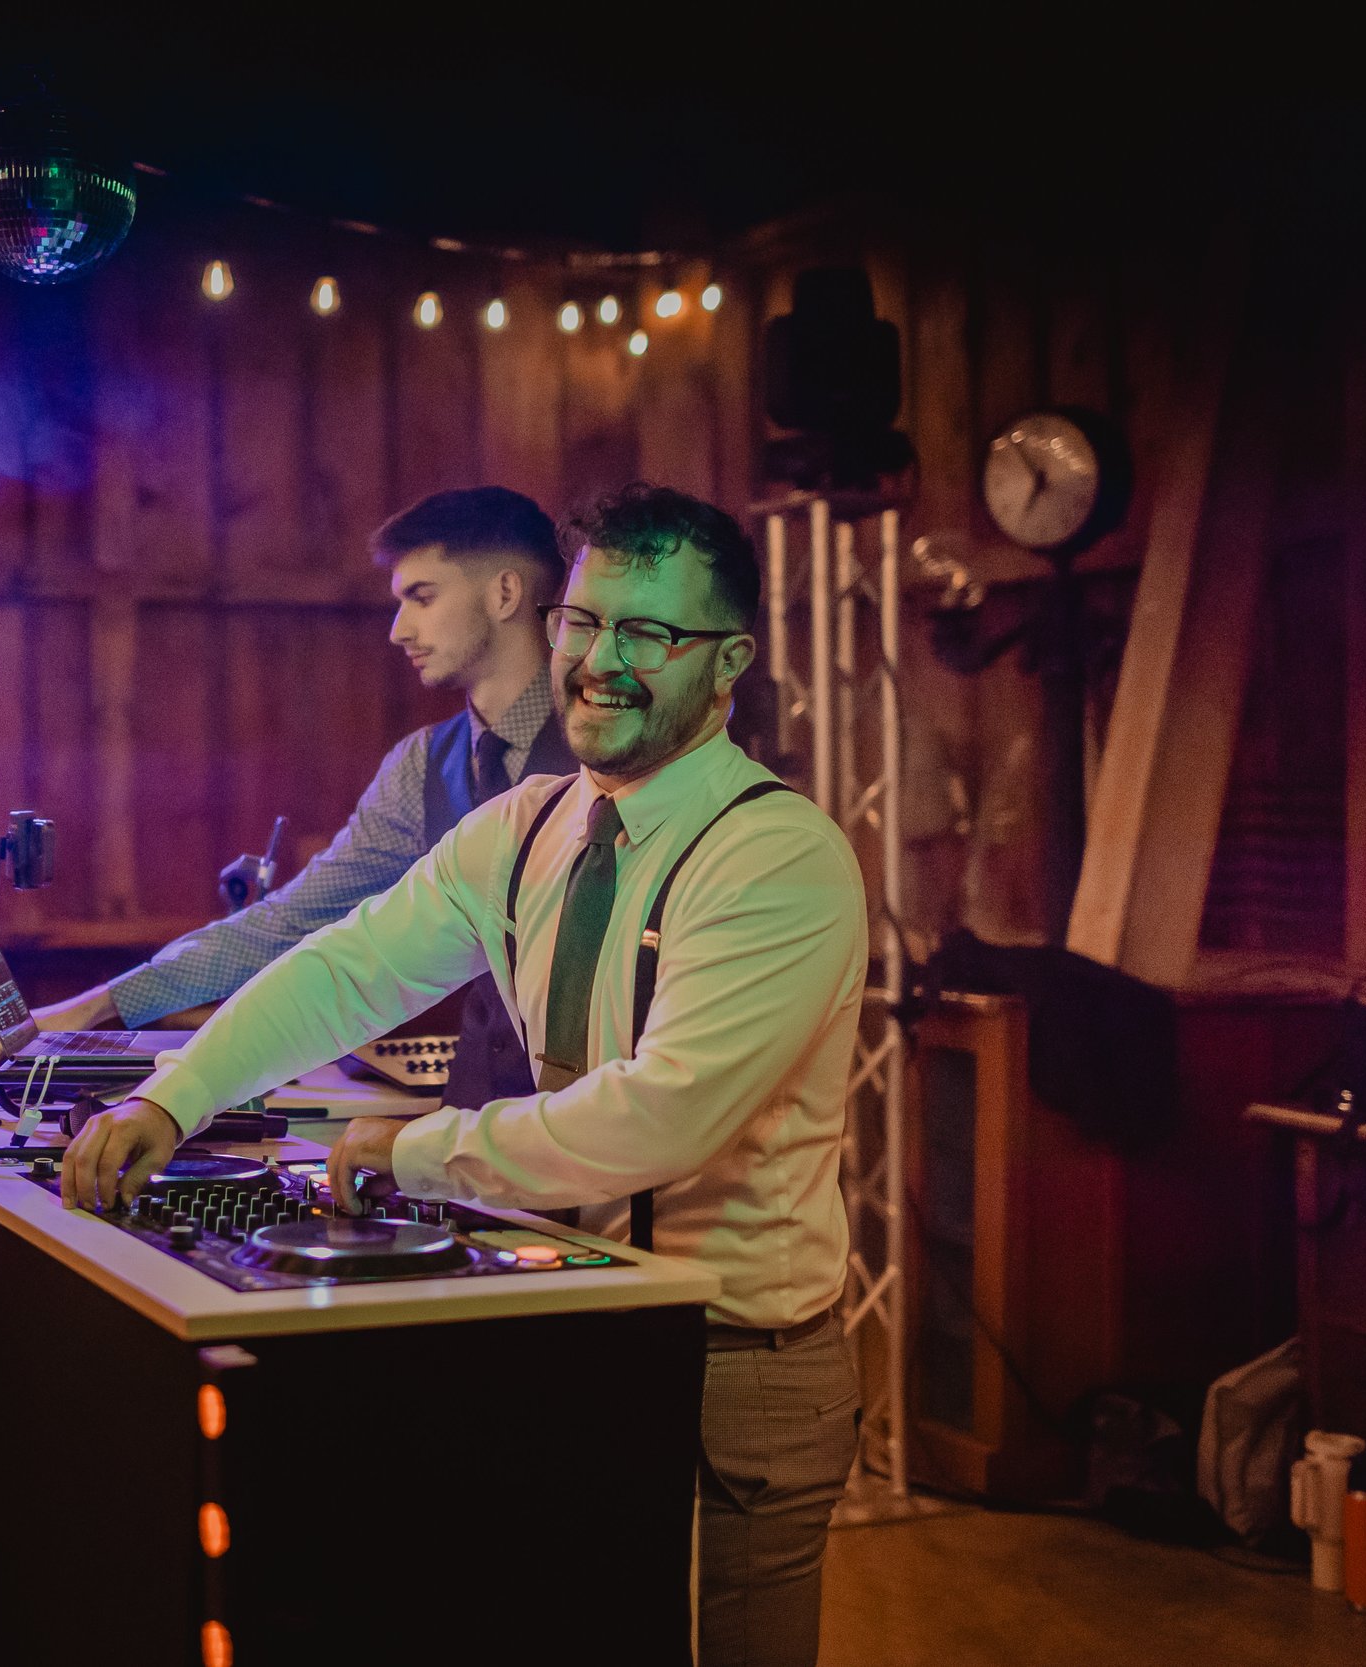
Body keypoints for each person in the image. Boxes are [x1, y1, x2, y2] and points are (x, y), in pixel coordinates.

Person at [61, 483, 870, 1667]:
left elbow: (662, 1118)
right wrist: (171, 1094)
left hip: (731, 1364)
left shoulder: (777, 853)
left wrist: (414, 1148)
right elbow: (342, 965)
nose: (602, 659)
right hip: (569, 1321)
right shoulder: (527, 823)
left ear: (728, 659)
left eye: (650, 632)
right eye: (585, 621)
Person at [7, 485, 578, 1108]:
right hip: (474, 1114)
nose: (398, 630)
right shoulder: (420, 764)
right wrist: (95, 1008)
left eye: (422, 596)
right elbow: (295, 918)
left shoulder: (606, 746)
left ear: (504, 594)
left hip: (602, 1118)